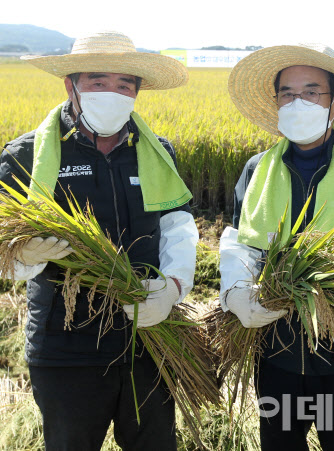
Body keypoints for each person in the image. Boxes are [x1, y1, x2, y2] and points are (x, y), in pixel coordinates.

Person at [0, 31, 197, 450]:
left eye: (125, 84)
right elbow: (3, 247)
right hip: (64, 343)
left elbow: (178, 228)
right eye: (98, 81)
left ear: (137, 92)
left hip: (148, 337)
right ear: (70, 84)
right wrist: (20, 255)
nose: (113, 92)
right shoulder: (26, 155)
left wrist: (173, 288)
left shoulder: (157, 152)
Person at [219, 44, 334, 451]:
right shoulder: (257, 170)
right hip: (277, 349)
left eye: (310, 92)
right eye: (287, 93)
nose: (297, 102)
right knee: (280, 443)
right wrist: (236, 293)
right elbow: (239, 241)